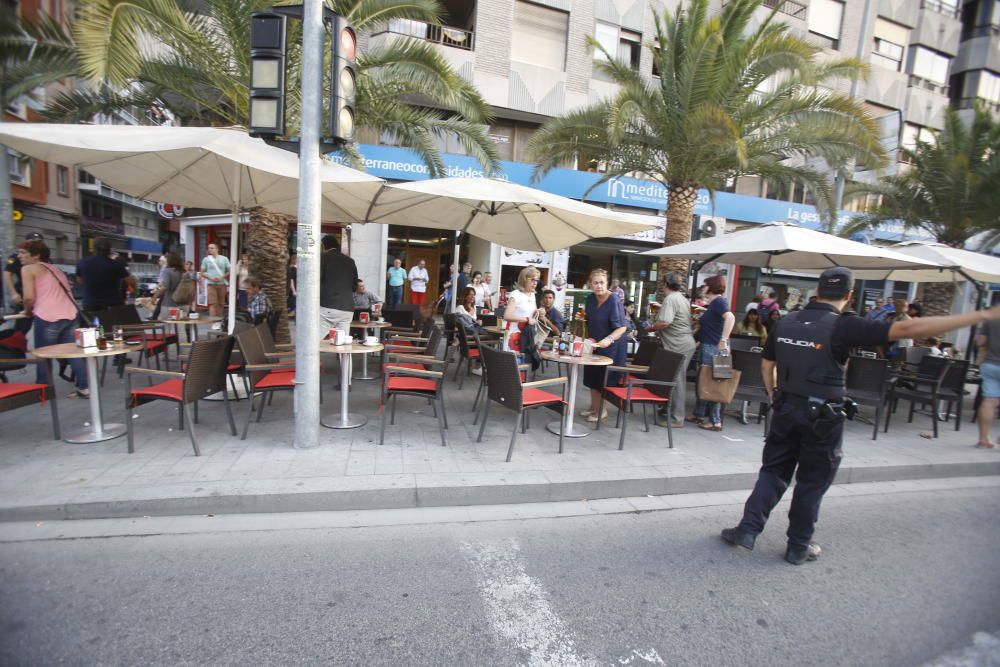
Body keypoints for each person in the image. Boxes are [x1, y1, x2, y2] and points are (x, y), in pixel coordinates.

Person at [721, 267, 1000, 564]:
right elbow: (907, 330)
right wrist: (979, 316)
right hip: (823, 415)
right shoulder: (844, 325)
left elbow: (767, 366)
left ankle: (747, 531)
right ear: (849, 295)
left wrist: (774, 396)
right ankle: (798, 546)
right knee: (812, 481)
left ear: (817, 290)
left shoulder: (786, 321)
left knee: (773, 471)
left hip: (786, 408)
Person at [18, 239, 89, 398]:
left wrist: (27, 311)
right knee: (72, 352)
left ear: (36, 255)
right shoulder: (54, 268)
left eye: (23, 253)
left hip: (48, 316)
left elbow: (29, 297)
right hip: (70, 314)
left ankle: (42, 390)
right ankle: (85, 387)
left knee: (43, 354)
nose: (19, 256)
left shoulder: (29, 269)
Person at [646, 272, 696, 428]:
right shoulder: (681, 298)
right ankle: (668, 411)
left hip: (678, 344)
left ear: (665, 284)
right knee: (673, 378)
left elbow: (665, 322)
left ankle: (677, 418)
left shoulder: (670, 299)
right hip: (683, 343)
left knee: (677, 380)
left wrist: (652, 327)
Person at [580, 268, 627, 422]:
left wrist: (609, 339)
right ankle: (593, 407)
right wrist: (582, 319)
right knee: (592, 376)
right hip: (594, 343)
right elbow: (588, 319)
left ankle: (602, 411)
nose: (598, 286)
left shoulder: (613, 300)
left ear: (607, 284)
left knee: (603, 378)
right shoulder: (590, 299)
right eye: (595, 283)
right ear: (590, 284)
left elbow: (622, 327)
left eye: (602, 283)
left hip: (612, 345)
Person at [690, 275, 735, 432]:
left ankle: (715, 421)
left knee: (714, 382)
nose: (703, 288)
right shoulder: (715, 304)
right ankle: (699, 414)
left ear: (712, 287)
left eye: (705, 285)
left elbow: (730, 317)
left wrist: (724, 339)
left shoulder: (719, 302)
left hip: (714, 348)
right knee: (705, 380)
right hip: (710, 346)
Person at [75, 237, 135, 315]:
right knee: (112, 326)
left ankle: (99, 327)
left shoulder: (82, 263)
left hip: (91, 303)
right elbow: (131, 282)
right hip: (112, 304)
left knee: (95, 326)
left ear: (94, 249)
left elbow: (79, 280)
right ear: (109, 250)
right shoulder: (115, 265)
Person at [319, 234, 358, 343]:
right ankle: (346, 361)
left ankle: (308, 360)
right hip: (347, 308)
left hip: (327, 305)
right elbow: (355, 286)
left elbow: (315, 281)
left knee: (314, 341)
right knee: (344, 343)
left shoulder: (323, 257)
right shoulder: (350, 261)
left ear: (324, 246)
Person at [4, 231, 43, 313]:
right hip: (24, 293)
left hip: (41, 295)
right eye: (32, 242)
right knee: (23, 322)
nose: (36, 245)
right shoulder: (18, 257)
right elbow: (7, 274)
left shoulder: (43, 256)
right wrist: (13, 293)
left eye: (38, 242)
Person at [199, 243, 230, 318]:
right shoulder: (206, 259)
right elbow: (202, 272)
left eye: (212, 248)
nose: (210, 249)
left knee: (221, 303)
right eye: (209, 248)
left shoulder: (224, 258)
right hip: (211, 284)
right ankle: (213, 321)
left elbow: (229, 270)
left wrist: (222, 277)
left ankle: (219, 320)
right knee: (213, 303)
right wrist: (210, 277)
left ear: (217, 249)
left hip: (222, 283)